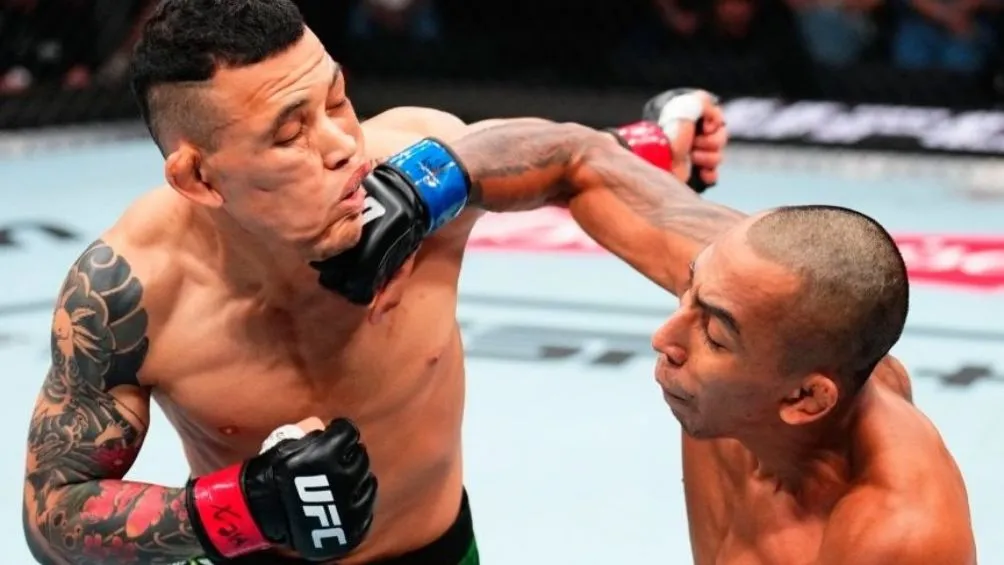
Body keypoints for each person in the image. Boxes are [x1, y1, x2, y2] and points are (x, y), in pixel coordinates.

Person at [20, 1, 742, 564]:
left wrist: (663, 143)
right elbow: (52, 513)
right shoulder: (129, 290)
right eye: (289, 134)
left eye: (337, 100)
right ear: (198, 177)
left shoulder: (419, 167)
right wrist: (245, 507)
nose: (344, 146)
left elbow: (567, 159)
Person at [649, 206, 978, 564]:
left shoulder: (897, 539)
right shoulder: (741, 287)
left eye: (714, 336)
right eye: (688, 289)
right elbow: (614, 186)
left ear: (805, 398)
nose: (662, 338)